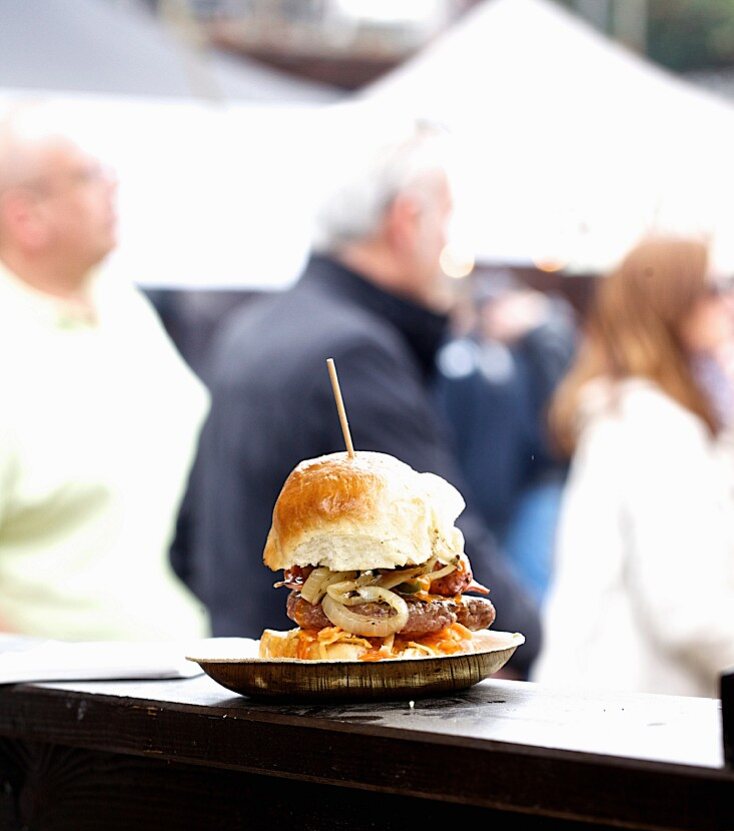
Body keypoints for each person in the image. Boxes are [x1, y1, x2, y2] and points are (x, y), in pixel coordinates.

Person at [173, 121, 541, 671]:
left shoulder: (250, 328)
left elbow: (186, 546)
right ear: (407, 221)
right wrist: (528, 632)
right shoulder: (356, 351)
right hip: (340, 710)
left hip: (252, 690)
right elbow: (437, 535)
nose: (449, 241)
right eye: (446, 217)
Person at [0, 103, 209, 641]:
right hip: (52, 689)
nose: (112, 186)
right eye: (88, 177)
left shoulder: (117, 297)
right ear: (27, 216)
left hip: (170, 653)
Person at [534, 237, 734, 697]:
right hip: (641, 712)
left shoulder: (646, 412)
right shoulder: (653, 425)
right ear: (671, 300)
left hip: (615, 705)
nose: (726, 302)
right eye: (712, 287)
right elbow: (689, 608)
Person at [435, 272, 576, 600]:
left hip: (522, 493)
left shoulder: (528, 351)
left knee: (524, 589)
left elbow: (547, 413)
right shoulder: (458, 354)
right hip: (472, 498)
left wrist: (541, 327)